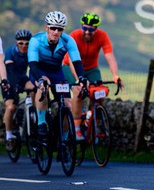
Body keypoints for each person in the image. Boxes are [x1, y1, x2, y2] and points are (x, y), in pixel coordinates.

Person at [62, 12, 123, 141]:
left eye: (91, 30)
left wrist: (115, 75)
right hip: (70, 67)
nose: (87, 32)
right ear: (81, 27)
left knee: (99, 93)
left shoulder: (102, 36)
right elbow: (72, 61)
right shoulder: (75, 36)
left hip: (91, 69)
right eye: (85, 28)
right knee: (79, 91)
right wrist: (79, 80)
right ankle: (77, 128)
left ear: (96, 29)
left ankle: (92, 124)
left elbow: (110, 56)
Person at [28, 11, 87, 139]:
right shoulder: (35, 40)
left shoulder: (68, 41)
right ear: (47, 28)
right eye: (53, 28)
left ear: (62, 30)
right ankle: (41, 122)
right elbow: (32, 65)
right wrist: (40, 79)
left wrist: (82, 78)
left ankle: (64, 142)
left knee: (67, 105)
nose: (56, 32)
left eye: (59, 29)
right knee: (43, 86)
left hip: (56, 72)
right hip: (38, 70)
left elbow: (77, 63)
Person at [3, 29, 34, 151]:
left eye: (27, 43)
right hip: (9, 81)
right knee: (10, 108)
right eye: (21, 43)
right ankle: (9, 136)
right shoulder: (10, 51)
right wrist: (14, 85)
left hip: (22, 78)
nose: (24, 46)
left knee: (34, 89)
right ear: (17, 43)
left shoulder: (31, 52)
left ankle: (34, 116)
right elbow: (10, 70)